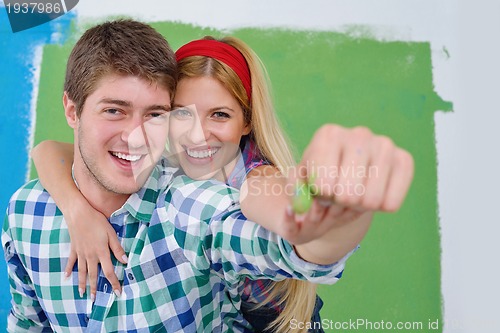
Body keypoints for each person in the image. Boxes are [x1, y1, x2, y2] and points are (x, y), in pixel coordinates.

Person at [4, 20, 414, 332]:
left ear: (246, 122)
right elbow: (49, 152)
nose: (197, 133)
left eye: (154, 114)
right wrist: (77, 211)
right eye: (180, 113)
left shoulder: (225, 189)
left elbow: (293, 236)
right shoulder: (28, 213)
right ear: (72, 111)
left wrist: (331, 211)